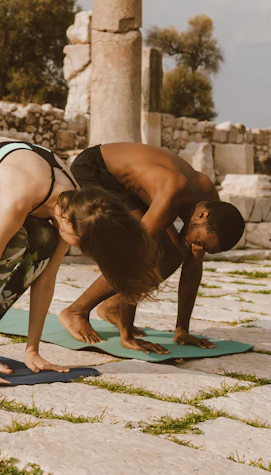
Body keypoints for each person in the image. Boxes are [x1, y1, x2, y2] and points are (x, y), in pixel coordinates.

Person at [0, 134, 163, 386]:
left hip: (17, 181)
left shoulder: (77, 206)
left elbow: (46, 280)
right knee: (15, 242)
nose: (82, 250)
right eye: (83, 243)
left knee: (45, 241)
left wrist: (32, 350)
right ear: (68, 221)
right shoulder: (21, 196)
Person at [59, 142, 245, 354]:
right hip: (97, 171)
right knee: (150, 249)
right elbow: (133, 259)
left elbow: (192, 269)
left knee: (175, 254)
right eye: (199, 242)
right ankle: (76, 311)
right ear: (202, 216)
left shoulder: (211, 205)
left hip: (133, 189)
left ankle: (112, 307)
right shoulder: (172, 193)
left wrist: (182, 330)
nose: (196, 246)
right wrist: (127, 336)